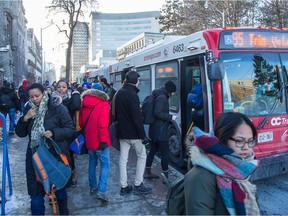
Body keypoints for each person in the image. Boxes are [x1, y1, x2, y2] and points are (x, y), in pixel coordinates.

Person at [184, 112, 260, 215]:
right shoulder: (200, 177)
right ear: (222, 139)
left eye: (250, 141)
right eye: (239, 141)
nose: (246, 147)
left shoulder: (242, 168)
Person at [15, 83, 75, 215]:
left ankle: (64, 212)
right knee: (35, 197)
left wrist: (53, 132)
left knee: (59, 189)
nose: (35, 99)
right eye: (31, 97)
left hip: (55, 156)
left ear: (44, 93)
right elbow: (20, 133)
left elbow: (70, 129)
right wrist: (25, 118)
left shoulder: (57, 107)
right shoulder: (29, 109)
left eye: (37, 96)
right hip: (34, 158)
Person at [115, 70, 151, 196]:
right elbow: (137, 118)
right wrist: (143, 136)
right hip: (134, 134)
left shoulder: (119, 92)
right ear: (135, 81)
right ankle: (138, 184)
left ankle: (123, 186)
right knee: (142, 156)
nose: (139, 82)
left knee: (123, 159)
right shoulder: (133, 95)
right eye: (138, 80)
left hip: (122, 133)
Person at [79, 83, 111, 202]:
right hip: (100, 140)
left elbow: (81, 123)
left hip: (89, 139)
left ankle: (93, 187)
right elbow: (103, 125)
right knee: (105, 165)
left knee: (92, 162)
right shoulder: (103, 103)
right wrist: (103, 141)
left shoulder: (84, 103)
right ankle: (101, 191)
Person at [144, 80, 177, 182]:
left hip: (155, 128)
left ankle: (148, 171)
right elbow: (157, 112)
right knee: (165, 152)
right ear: (170, 91)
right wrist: (171, 117)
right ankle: (166, 178)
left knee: (153, 150)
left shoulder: (158, 95)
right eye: (173, 92)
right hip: (160, 130)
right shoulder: (162, 98)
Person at [54, 79, 81, 187]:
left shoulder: (71, 98)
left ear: (67, 88)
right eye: (59, 87)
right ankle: (60, 176)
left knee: (69, 154)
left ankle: (72, 175)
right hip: (56, 130)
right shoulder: (52, 99)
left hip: (69, 130)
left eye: (64, 87)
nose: (61, 89)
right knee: (57, 154)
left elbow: (76, 107)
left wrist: (75, 93)